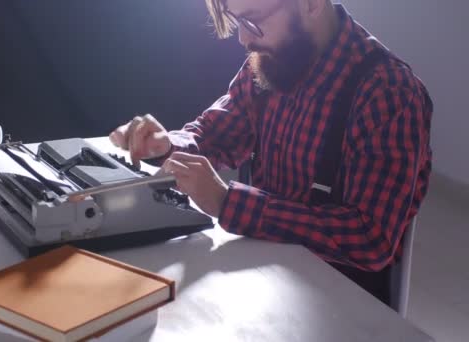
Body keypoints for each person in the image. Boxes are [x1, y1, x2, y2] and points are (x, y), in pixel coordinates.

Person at [109, 0, 432, 306]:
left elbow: (369, 239)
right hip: (265, 276)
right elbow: (217, 132)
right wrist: (166, 145)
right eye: (238, 21)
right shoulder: (274, 57)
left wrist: (227, 201)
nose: (244, 39)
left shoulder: (388, 92)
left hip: (338, 301)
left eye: (254, 20)